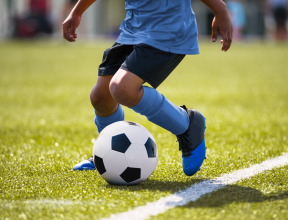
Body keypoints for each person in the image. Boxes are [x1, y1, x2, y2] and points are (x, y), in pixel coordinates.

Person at [62, 0, 232, 176]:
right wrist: (77, 12)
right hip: (133, 30)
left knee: (122, 88)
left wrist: (220, 10)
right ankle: (108, 155)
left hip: (168, 30)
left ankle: (187, 124)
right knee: (100, 97)